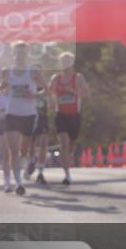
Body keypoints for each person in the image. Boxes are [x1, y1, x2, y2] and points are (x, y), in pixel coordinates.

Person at [2, 42, 46, 195]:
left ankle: (27, 163)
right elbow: (2, 88)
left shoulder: (33, 71)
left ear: (27, 54)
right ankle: (18, 183)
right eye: (18, 52)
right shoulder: (7, 71)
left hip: (28, 115)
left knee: (23, 151)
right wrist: (3, 90)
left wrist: (34, 95)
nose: (20, 55)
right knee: (13, 151)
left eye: (23, 52)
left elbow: (47, 90)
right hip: (11, 114)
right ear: (13, 54)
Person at [48, 51, 90, 186]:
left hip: (74, 115)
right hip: (61, 115)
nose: (65, 64)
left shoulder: (78, 78)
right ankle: (67, 175)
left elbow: (88, 94)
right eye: (63, 61)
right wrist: (50, 101)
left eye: (68, 61)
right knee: (64, 144)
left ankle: (67, 156)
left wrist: (74, 91)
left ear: (72, 63)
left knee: (71, 145)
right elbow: (48, 92)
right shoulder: (56, 78)